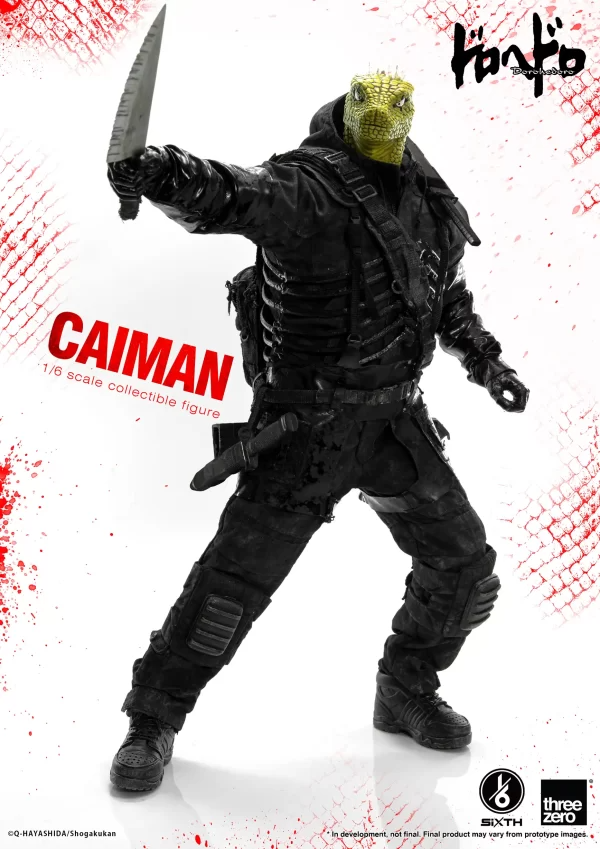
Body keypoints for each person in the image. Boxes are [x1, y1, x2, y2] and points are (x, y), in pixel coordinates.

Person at [107, 71, 529, 792]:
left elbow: (443, 297)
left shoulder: (426, 196)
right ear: (348, 111)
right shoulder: (303, 190)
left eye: (397, 105)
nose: (383, 115)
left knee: (465, 568)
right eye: (370, 104)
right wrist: (159, 172)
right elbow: (228, 193)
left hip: (395, 424)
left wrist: (487, 362)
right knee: (230, 586)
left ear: (411, 115)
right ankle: (153, 717)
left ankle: (406, 685)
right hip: (307, 430)